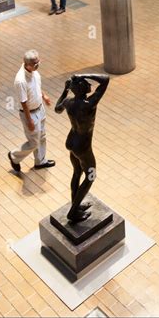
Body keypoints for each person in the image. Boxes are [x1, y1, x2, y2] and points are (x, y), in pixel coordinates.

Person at [55, 73, 109, 223]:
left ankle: (76, 205)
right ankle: (73, 212)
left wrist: (65, 90)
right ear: (83, 88)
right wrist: (83, 74)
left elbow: (56, 109)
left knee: (77, 172)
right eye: (86, 83)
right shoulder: (89, 104)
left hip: (71, 141)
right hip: (83, 147)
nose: (90, 85)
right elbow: (105, 80)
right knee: (91, 176)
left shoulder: (68, 102)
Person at [8, 50, 55, 172]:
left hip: (40, 108)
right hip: (30, 113)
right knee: (34, 142)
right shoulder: (20, 81)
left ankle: (40, 161)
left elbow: (36, 87)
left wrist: (44, 96)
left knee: (42, 136)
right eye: (35, 63)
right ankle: (14, 156)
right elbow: (23, 102)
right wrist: (29, 120)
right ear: (27, 64)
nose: (38, 64)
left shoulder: (34, 72)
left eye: (38, 61)